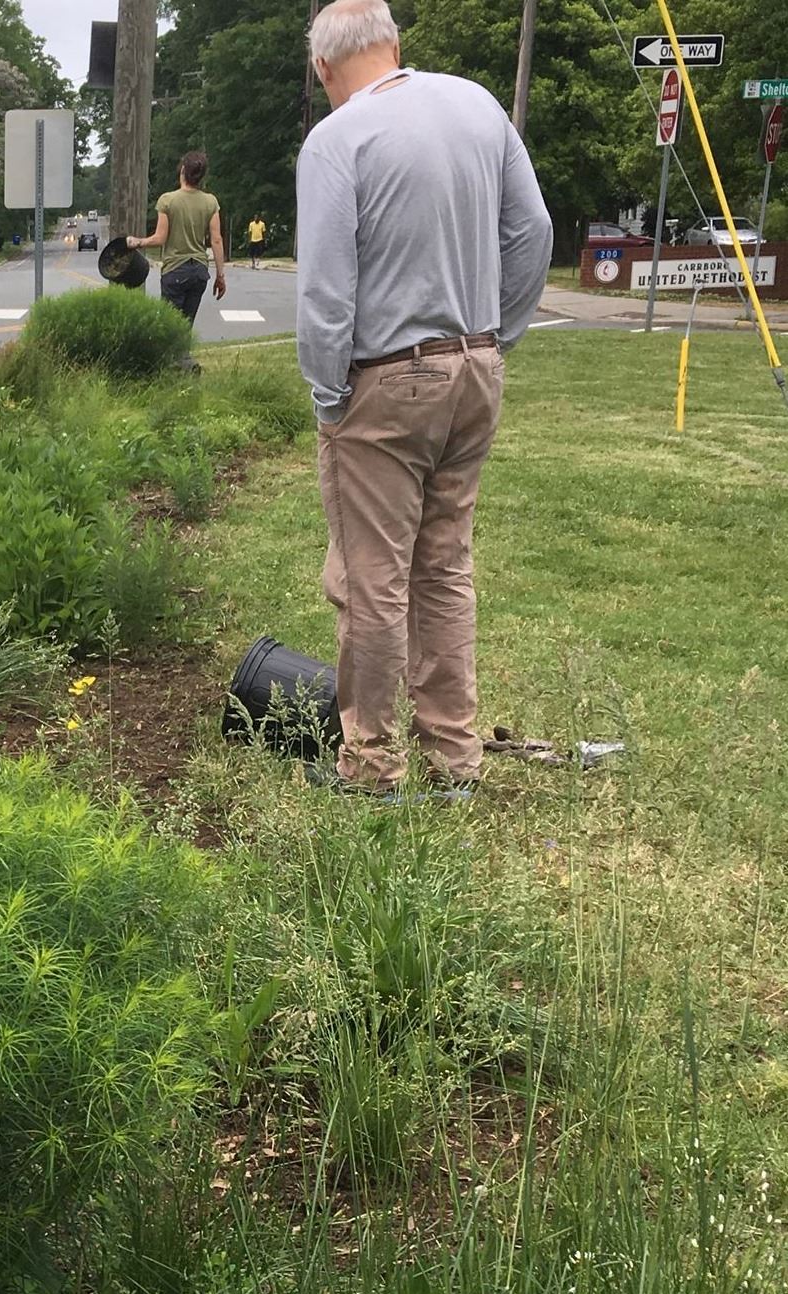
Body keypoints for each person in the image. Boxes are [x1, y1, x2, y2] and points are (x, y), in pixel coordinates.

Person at [296, 0, 551, 795]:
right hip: (475, 366)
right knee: (443, 566)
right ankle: (453, 759)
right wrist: (497, 333)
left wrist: (326, 394)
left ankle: (371, 767)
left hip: (386, 376)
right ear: (395, 46)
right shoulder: (475, 103)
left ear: (323, 68)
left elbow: (326, 290)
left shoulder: (337, 138)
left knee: (370, 577)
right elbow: (533, 230)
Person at [126, 152, 227, 331]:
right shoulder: (211, 202)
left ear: (182, 171)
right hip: (199, 271)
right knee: (186, 324)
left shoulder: (168, 200)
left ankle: (174, 358)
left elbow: (160, 238)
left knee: (169, 326)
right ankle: (184, 357)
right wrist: (220, 276)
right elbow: (217, 240)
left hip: (175, 269)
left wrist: (137, 242)